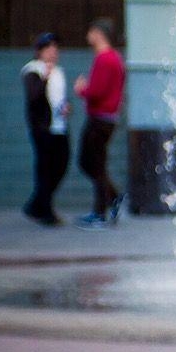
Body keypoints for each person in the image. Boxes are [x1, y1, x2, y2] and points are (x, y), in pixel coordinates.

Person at [74, 17, 125, 230]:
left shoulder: (105, 59)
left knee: (93, 163)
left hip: (100, 119)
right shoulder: (112, 58)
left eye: (91, 31)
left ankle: (101, 211)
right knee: (92, 163)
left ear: (98, 33)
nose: (88, 36)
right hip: (106, 118)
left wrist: (81, 89)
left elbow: (97, 91)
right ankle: (111, 198)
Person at [21, 32, 70, 225]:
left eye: (55, 48)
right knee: (45, 168)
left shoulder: (59, 71)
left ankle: (36, 204)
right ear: (40, 51)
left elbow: (58, 98)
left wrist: (67, 107)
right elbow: (34, 96)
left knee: (61, 164)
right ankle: (46, 211)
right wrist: (45, 77)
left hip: (60, 126)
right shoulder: (32, 70)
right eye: (48, 48)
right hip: (42, 128)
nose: (53, 52)